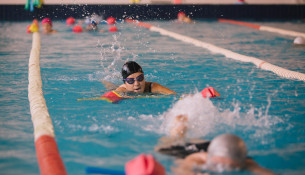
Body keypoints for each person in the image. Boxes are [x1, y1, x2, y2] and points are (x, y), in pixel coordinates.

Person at [155, 114, 274, 175]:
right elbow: (180, 168)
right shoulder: (199, 159)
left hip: (216, 147)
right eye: (217, 163)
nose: (221, 168)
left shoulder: (245, 162)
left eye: (230, 166)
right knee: (171, 142)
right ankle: (180, 125)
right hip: (189, 151)